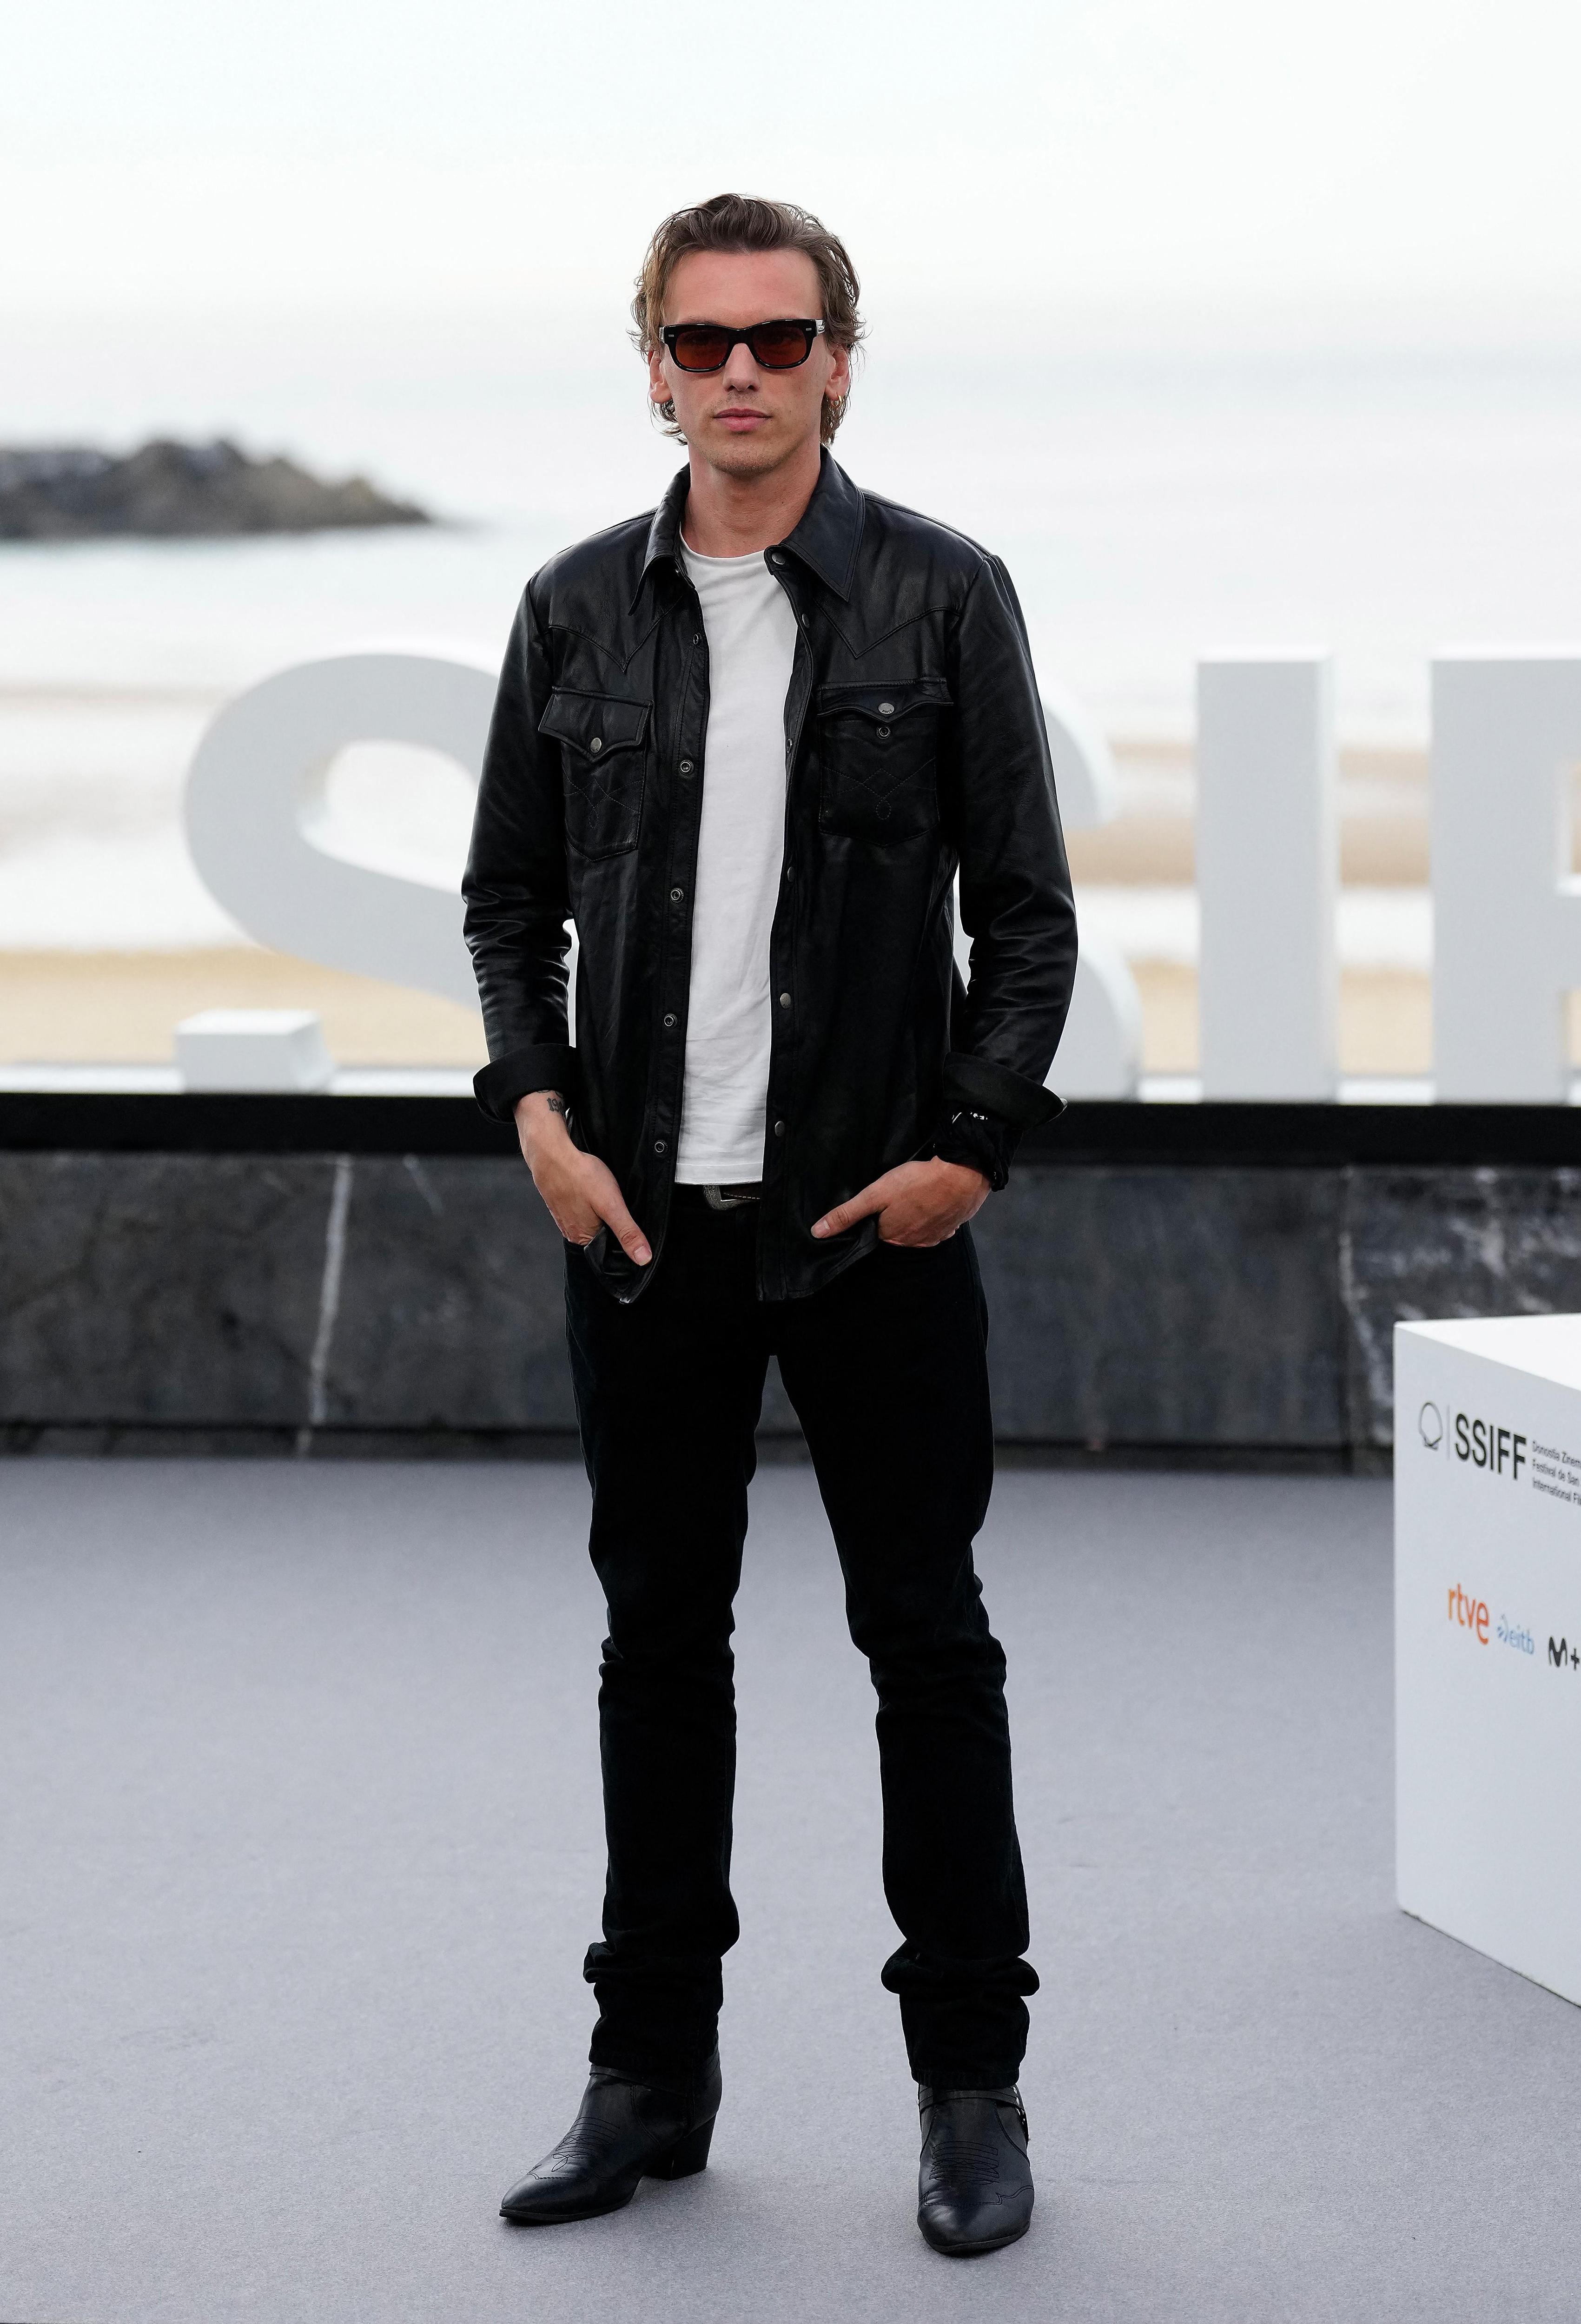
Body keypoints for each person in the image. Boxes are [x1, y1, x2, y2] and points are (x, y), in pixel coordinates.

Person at [463, 191, 1076, 2258]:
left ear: (837, 361)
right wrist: (539, 1117)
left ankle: (971, 2089)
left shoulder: (941, 596)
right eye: (702, 339)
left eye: (780, 337)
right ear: (651, 365)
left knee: (927, 1645)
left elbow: (1027, 916)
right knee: (658, 1646)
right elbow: (505, 903)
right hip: (642, 1228)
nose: (741, 371)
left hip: (870, 1220)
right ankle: (646, 2077)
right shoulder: (571, 607)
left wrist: (966, 1148)